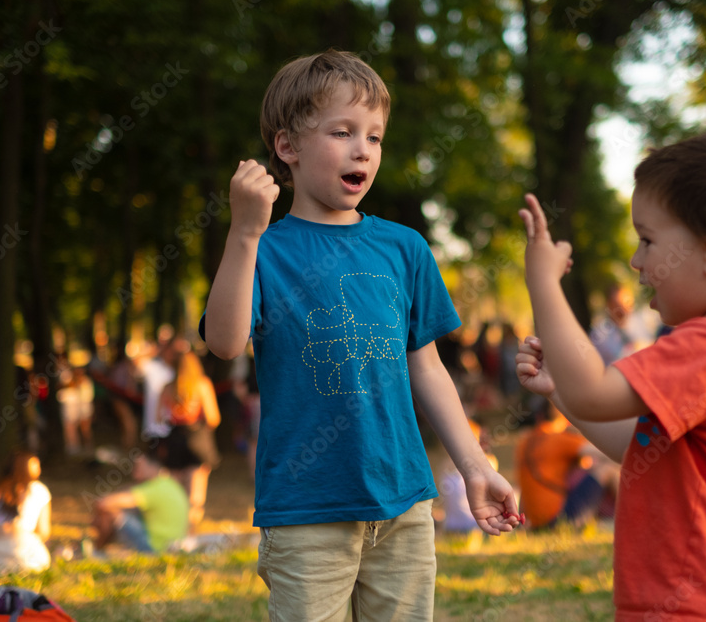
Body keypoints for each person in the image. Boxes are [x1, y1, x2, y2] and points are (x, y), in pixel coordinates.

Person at [200, 49, 519, 620]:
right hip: (306, 512)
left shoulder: (405, 249)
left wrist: (474, 467)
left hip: (403, 506)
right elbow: (224, 343)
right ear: (287, 148)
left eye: (374, 137)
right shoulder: (264, 251)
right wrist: (245, 232)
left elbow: (427, 368)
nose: (362, 150)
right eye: (342, 131)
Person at [517, 127, 706, 620]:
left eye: (648, 241)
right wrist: (561, 394)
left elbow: (595, 391)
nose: (636, 261)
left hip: (699, 607)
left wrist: (543, 282)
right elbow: (640, 447)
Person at [514, 403, 617, 530]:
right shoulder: (560, 439)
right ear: (564, 419)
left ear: (538, 417)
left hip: (534, 524)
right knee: (607, 470)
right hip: (558, 520)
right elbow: (610, 453)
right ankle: (632, 513)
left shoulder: (525, 442)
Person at [160, 348, 221, 533]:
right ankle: (190, 531)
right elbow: (213, 418)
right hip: (197, 440)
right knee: (195, 493)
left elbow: (159, 417)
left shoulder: (167, 387)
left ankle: (176, 529)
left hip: (174, 440)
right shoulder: (202, 385)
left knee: (177, 490)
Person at [92, 450, 189, 554]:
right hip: (172, 543)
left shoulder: (154, 488)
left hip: (155, 546)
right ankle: (98, 549)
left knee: (110, 512)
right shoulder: (169, 483)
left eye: (138, 468)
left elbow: (105, 503)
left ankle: (96, 550)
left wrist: (98, 518)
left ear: (151, 466)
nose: (135, 475)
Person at [0, 452, 52, 573]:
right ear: (24, 467)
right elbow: (44, 531)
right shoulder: (38, 489)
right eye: (36, 464)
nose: (39, 469)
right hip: (25, 549)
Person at [590, 283, 645, 366]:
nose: (623, 309)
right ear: (608, 305)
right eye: (618, 305)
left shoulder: (642, 320)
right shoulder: (599, 335)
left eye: (626, 303)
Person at [57, 365, 95, 456]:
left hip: (82, 409)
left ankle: (87, 447)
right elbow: (61, 392)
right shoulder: (68, 380)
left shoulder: (86, 382)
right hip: (72, 410)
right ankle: (74, 449)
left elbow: (88, 396)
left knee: (84, 429)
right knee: (70, 429)